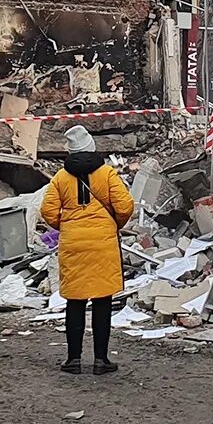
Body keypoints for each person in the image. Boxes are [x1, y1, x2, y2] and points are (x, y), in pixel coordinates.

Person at [39, 126, 134, 375]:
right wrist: (113, 224)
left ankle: (73, 360)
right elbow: (125, 205)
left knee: (75, 302)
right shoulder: (107, 173)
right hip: (102, 244)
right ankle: (101, 360)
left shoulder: (61, 177)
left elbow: (48, 211)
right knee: (102, 301)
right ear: (91, 146)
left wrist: (67, 225)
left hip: (73, 244)